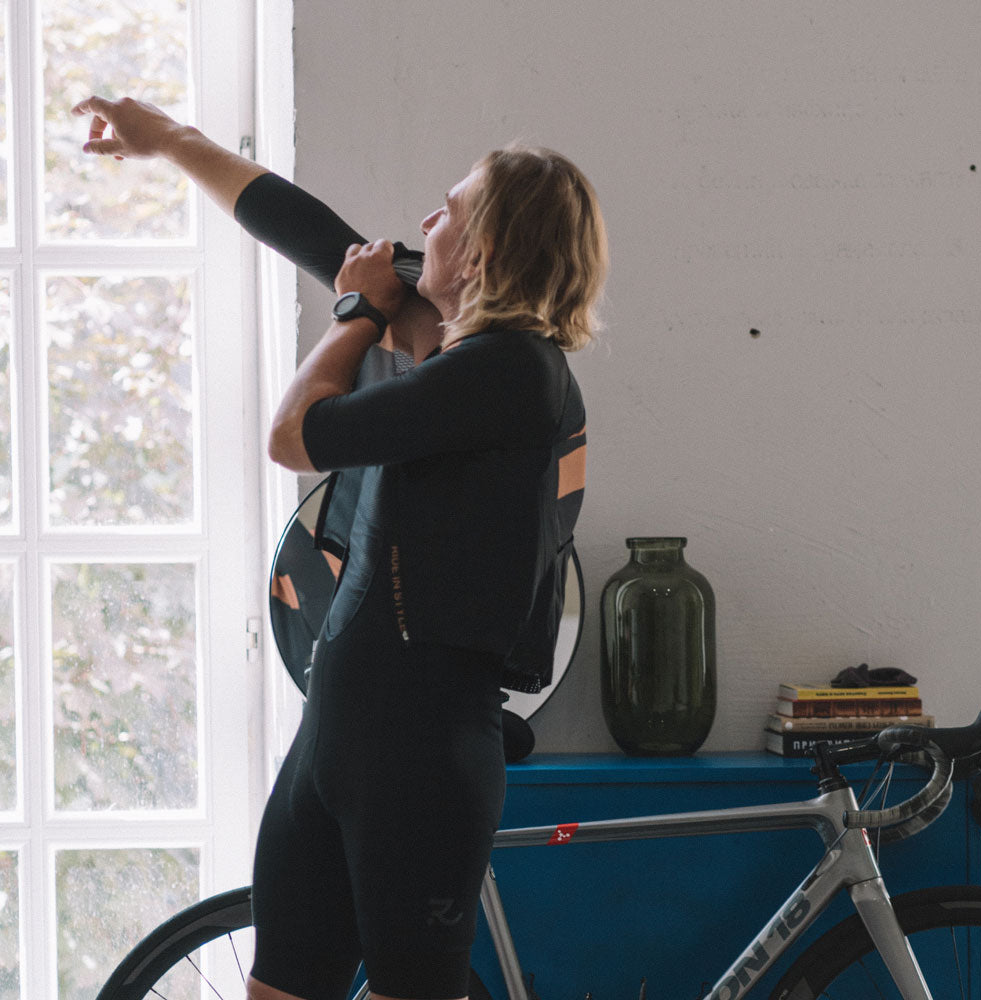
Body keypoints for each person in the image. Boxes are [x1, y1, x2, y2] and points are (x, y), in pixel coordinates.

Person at [71, 94, 608, 1000]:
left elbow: (295, 434)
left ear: (480, 254)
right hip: (337, 733)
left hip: (421, 752)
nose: (424, 222)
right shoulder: (459, 348)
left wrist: (355, 315)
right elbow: (320, 238)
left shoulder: (511, 369)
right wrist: (170, 141)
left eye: (448, 209)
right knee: (280, 988)